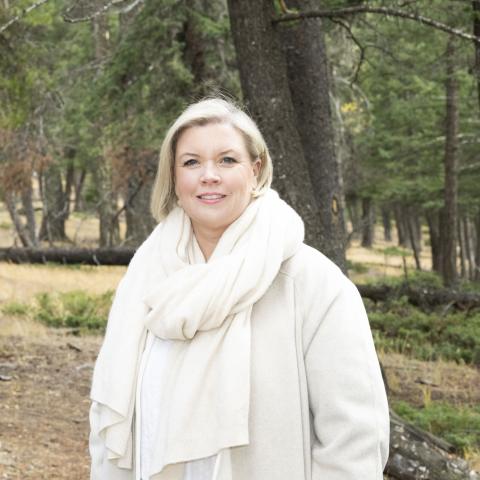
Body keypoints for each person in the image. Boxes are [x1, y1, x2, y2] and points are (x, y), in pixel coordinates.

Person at [89, 97, 390, 480]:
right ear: (174, 176)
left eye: (227, 160)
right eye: (191, 162)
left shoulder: (313, 284)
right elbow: (108, 417)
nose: (209, 175)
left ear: (256, 170)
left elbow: (355, 439)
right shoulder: (145, 280)